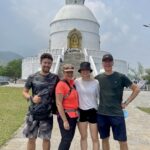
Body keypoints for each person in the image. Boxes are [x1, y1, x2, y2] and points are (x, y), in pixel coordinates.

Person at [95, 54, 140, 150]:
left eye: (109, 61)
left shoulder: (120, 77)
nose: (107, 63)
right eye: (105, 61)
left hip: (117, 114)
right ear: (102, 63)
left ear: (112, 63)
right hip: (102, 113)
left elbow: (136, 89)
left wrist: (126, 103)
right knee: (104, 139)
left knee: (122, 141)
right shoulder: (97, 78)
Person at [22, 53, 59, 150]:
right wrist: (31, 98)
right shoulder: (32, 77)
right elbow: (24, 92)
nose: (47, 65)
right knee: (31, 138)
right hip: (33, 113)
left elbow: (61, 90)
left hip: (47, 114)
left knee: (46, 139)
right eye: (45, 62)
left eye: (49, 63)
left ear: (52, 64)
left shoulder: (55, 78)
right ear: (40, 63)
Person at [75, 62, 100, 150]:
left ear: (90, 71)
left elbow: (99, 97)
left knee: (95, 138)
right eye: (83, 70)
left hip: (93, 111)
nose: (85, 72)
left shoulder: (96, 82)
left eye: (87, 70)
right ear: (80, 71)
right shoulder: (77, 81)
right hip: (81, 111)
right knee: (83, 137)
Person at [55, 64, 79, 150]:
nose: (69, 74)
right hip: (66, 116)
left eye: (71, 72)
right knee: (66, 139)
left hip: (73, 115)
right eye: (67, 72)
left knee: (69, 139)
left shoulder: (72, 83)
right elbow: (58, 103)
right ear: (63, 72)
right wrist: (65, 121)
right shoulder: (61, 84)